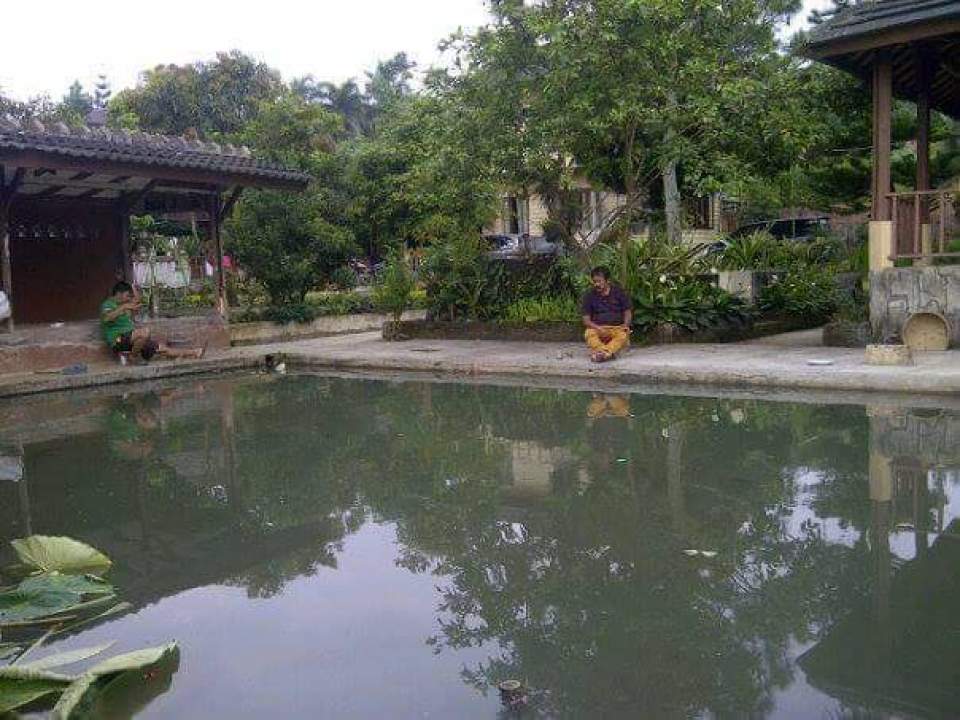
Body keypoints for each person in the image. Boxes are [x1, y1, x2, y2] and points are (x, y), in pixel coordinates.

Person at [100, 281, 205, 363]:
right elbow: (107, 318)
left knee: (162, 349)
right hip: (118, 340)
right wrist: (124, 307)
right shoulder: (108, 305)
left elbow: (137, 300)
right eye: (127, 295)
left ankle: (194, 352)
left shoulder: (124, 305)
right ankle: (133, 356)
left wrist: (133, 288)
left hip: (133, 341)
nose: (128, 299)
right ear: (119, 294)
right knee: (144, 332)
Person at [581, 266, 632, 362]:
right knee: (589, 333)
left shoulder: (619, 292)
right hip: (598, 328)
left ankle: (602, 353)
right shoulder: (589, 296)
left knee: (623, 335)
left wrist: (625, 325)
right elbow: (586, 320)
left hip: (617, 328)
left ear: (608, 281)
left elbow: (627, 312)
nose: (597, 284)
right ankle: (607, 353)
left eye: (599, 281)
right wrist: (598, 328)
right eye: (594, 282)